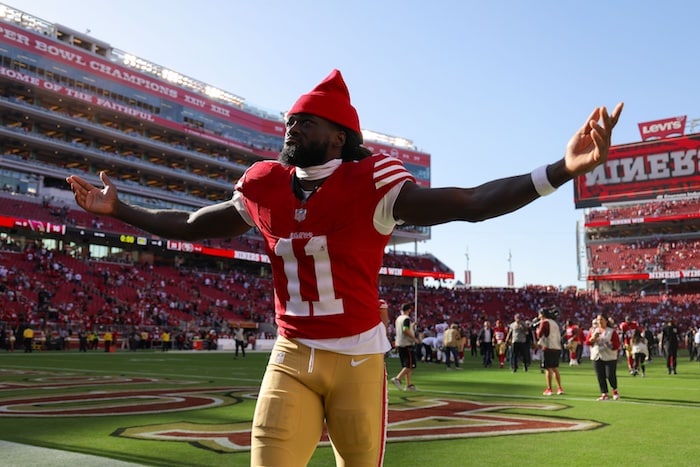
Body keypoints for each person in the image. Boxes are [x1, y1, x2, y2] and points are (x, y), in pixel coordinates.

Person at [66, 69, 622, 466]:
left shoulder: (372, 183)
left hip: (357, 361)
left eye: (304, 122)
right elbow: (193, 224)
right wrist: (121, 210)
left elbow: (472, 203)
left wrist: (562, 168)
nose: (290, 129)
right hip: (291, 356)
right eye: (289, 120)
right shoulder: (263, 185)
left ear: (338, 135)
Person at [586, 313, 621, 400]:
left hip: (609, 356)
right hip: (597, 355)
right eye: (598, 320)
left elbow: (617, 344)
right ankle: (604, 393)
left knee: (610, 375)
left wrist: (609, 344)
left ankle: (615, 390)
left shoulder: (611, 331)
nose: (599, 322)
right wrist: (593, 338)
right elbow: (587, 342)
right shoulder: (593, 331)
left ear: (606, 321)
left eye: (601, 319)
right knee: (600, 375)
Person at [392, 303, 421, 391]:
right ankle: (397, 379)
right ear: (409, 310)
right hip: (407, 344)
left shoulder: (398, 319)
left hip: (400, 343)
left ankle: (409, 385)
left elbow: (404, 328)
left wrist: (412, 326)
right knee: (409, 365)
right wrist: (414, 338)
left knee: (407, 365)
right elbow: (405, 330)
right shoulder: (406, 319)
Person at [535, 307, 564, 396]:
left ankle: (549, 388)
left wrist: (537, 330)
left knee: (548, 369)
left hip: (548, 347)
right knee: (555, 368)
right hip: (557, 346)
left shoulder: (544, 322)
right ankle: (559, 388)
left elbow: (539, 335)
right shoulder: (555, 323)